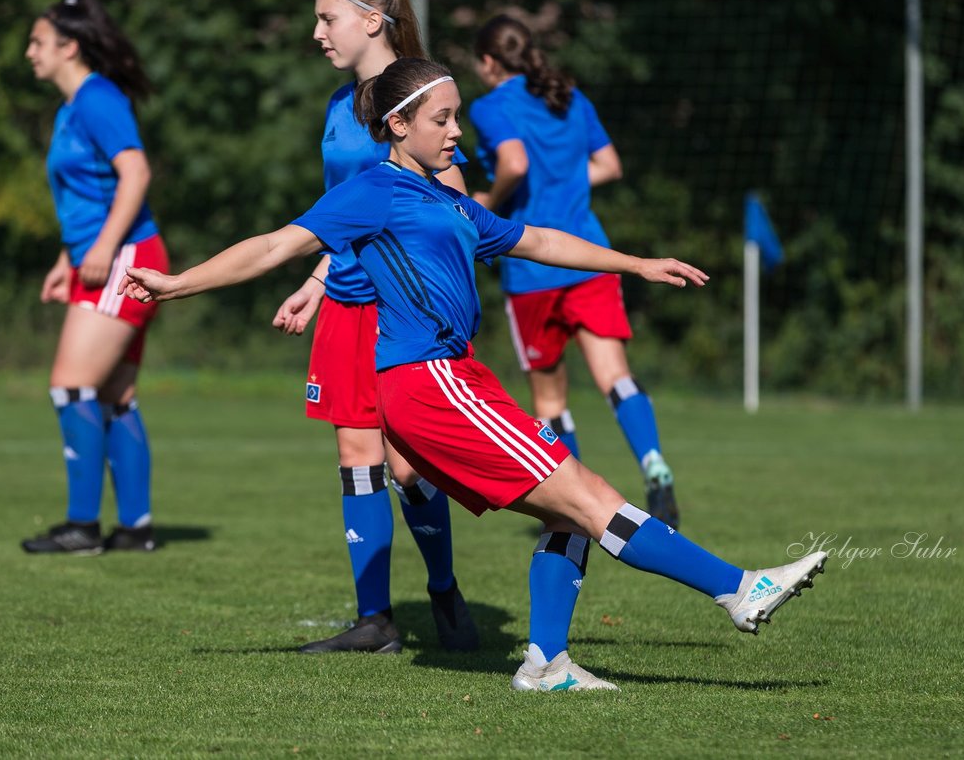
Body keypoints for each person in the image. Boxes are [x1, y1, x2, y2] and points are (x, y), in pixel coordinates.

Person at [119, 58, 829, 691]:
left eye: (457, 115)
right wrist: (177, 285)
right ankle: (739, 590)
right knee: (587, 495)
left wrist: (636, 263)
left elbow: (541, 240)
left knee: (568, 512)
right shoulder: (374, 190)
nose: (458, 131)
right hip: (430, 385)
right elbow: (278, 243)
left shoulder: (450, 201)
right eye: (442, 118)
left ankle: (548, 663)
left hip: (457, 379)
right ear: (399, 125)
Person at [268, 0, 477, 654]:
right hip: (347, 302)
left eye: (327, 18)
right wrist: (321, 277)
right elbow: (349, 215)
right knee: (357, 458)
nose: (317, 31)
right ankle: (375, 620)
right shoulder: (338, 106)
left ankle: (444, 592)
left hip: (405, 314)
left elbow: (455, 207)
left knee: (411, 467)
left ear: (369, 19)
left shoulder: (420, 93)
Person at [469, 14, 681, 529]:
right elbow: (609, 166)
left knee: (549, 400)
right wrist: (568, 183)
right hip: (591, 257)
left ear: (490, 62)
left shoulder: (491, 106)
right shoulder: (568, 95)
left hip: (534, 267)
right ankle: (654, 462)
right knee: (616, 378)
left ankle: (573, 503)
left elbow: (514, 166)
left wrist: (486, 204)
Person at [20, 0, 167, 555]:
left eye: (38, 42)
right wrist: (67, 258)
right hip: (106, 255)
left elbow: (135, 173)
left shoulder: (96, 98)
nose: (29, 52)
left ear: (69, 47)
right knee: (114, 395)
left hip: (126, 256)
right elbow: (86, 198)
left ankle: (82, 528)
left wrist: (104, 247)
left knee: (71, 386)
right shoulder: (70, 108)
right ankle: (136, 529)